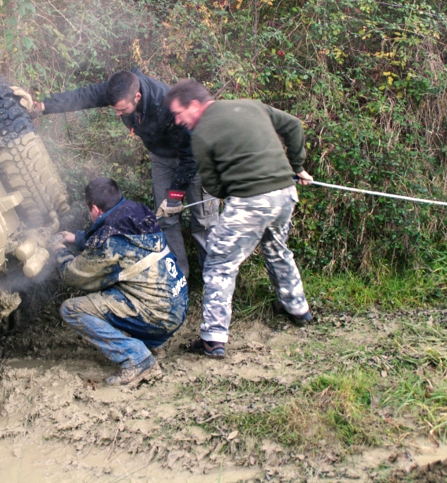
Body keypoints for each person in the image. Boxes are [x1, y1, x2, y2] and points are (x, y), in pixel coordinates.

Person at [164, 80, 314, 359]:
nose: (177, 120)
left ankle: (213, 338)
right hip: (284, 195)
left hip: (249, 201)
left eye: (178, 113)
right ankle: (297, 308)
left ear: (194, 105)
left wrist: (235, 188)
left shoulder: (200, 135)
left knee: (220, 263)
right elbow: (293, 125)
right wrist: (297, 168)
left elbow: (214, 186)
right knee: (276, 249)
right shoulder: (251, 105)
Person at [28, 69, 218, 277]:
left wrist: (175, 196)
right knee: (166, 218)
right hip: (162, 159)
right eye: (115, 110)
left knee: (203, 221)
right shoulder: (120, 87)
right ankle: (179, 277)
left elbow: (190, 157)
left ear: (137, 97)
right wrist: (44, 106)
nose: (118, 114)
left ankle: (212, 276)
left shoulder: (166, 103)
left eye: (121, 110)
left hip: (194, 157)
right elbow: (84, 96)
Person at [52, 177, 189, 386]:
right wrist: (76, 238)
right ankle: (152, 341)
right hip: (177, 303)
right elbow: (113, 241)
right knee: (125, 282)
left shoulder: (111, 241)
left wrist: (60, 251)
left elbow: (74, 275)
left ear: (95, 209)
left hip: (158, 314)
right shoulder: (135, 211)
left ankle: (138, 359)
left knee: (72, 309)